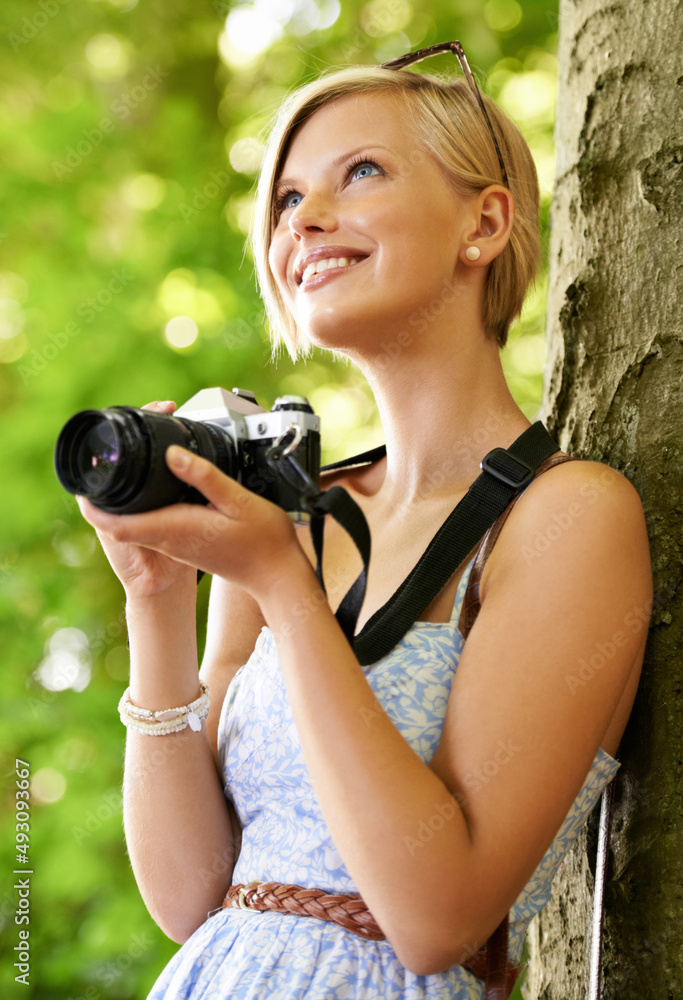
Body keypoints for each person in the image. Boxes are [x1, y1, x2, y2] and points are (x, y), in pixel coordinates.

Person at [77, 45, 652, 999]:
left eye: (362, 172)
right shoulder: (290, 520)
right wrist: (156, 597)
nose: (305, 219)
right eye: (286, 198)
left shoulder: (567, 518)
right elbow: (190, 896)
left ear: (485, 222)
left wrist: (287, 596)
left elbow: (436, 918)